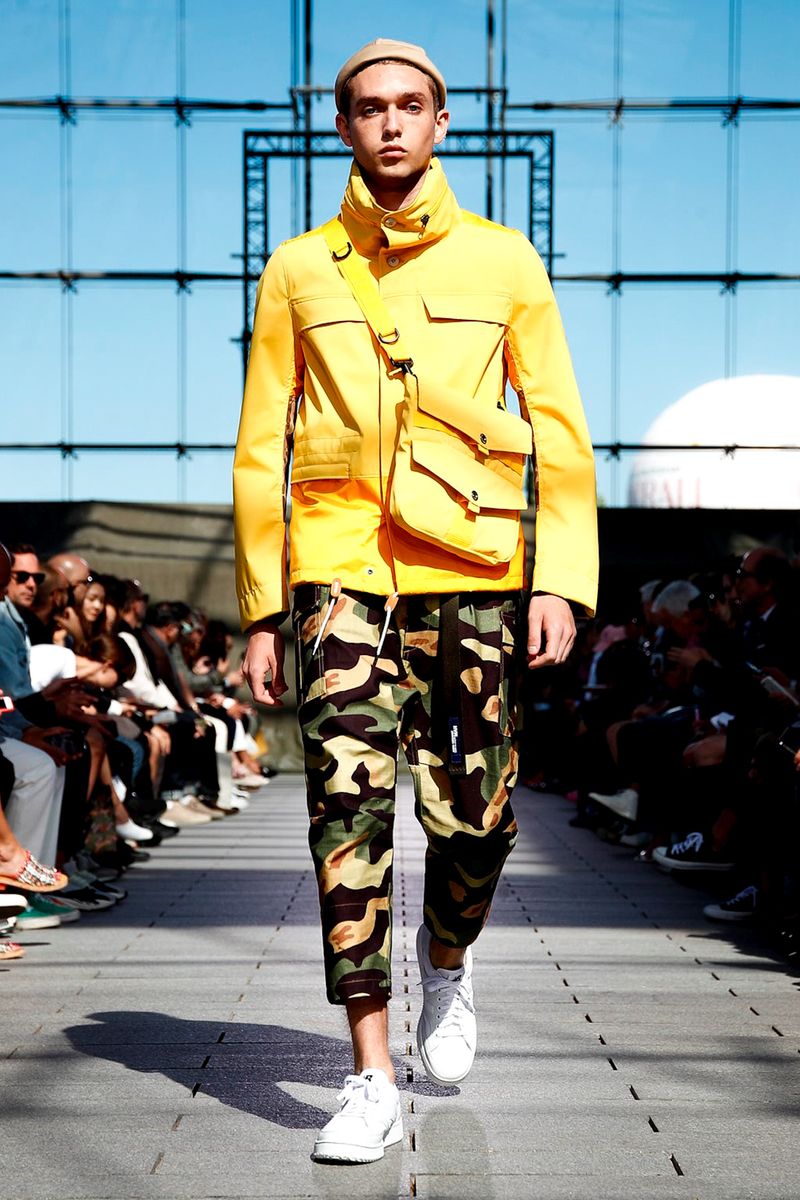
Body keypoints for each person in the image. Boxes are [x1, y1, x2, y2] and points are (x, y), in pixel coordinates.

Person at [234, 39, 598, 1164]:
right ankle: (370, 1075)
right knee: (343, 817)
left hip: (472, 576)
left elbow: (558, 429)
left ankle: (447, 958)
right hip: (338, 575)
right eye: (367, 108)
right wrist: (262, 607)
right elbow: (259, 444)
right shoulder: (299, 268)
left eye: (409, 106)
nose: (389, 123)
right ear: (342, 126)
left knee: (477, 821)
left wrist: (560, 578)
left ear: (441, 123)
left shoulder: (504, 261)